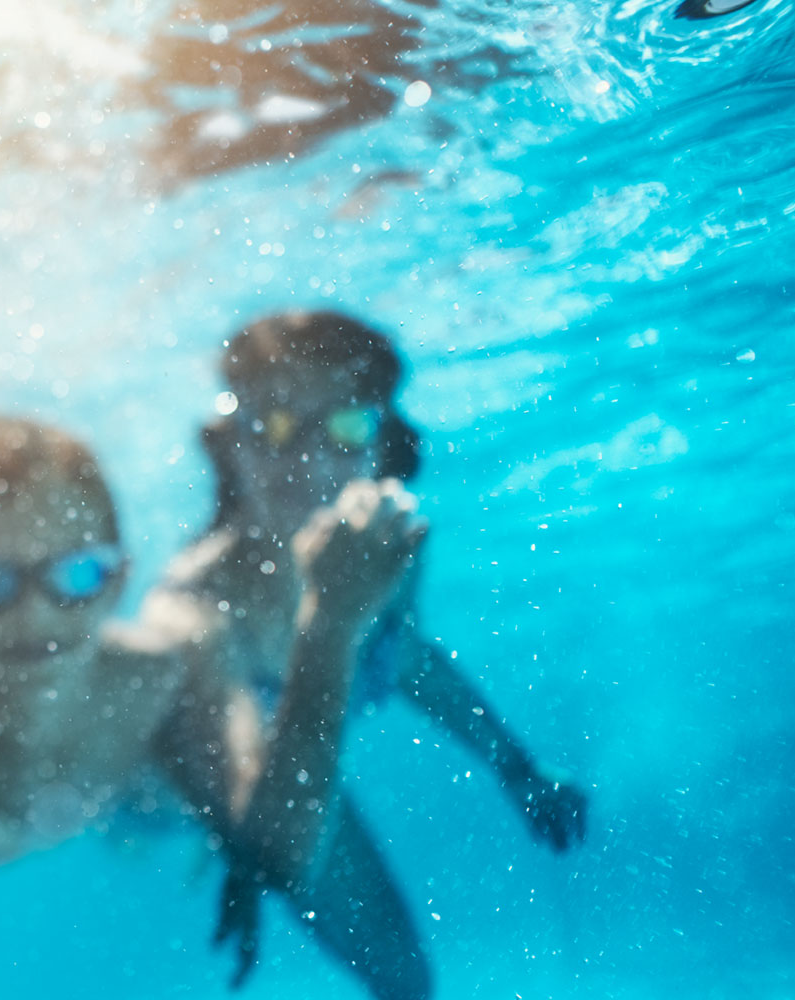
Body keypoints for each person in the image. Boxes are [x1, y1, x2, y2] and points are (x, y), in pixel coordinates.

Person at [0, 416, 425, 1000]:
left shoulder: (164, 675)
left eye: (76, 574)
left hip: (172, 799)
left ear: (120, 580)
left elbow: (282, 853)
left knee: (406, 979)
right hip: (112, 809)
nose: (33, 615)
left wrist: (330, 626)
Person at [153, 309, 592, 999]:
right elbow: (210, 768)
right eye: (273, 424)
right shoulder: (198, 601)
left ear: (381, 446)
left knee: (408, 981)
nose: (308, 457)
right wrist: (240, 850)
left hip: (289, 776)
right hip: (167, 793)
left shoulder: (385, 547)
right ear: (228, 444)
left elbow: (406, 659)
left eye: (346, 426)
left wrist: (518, 767)